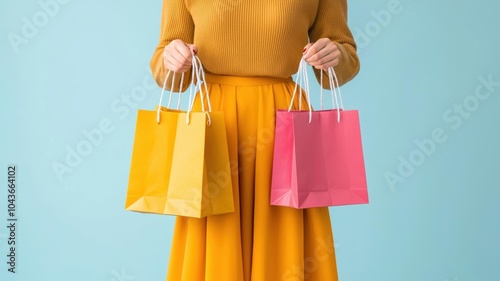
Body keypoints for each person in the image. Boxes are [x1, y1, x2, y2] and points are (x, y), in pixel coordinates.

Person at [150, 0, 360, 280]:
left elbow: (345, 56)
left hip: (284, 121)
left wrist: (334, 55)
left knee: (282, 232)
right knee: (217, 231)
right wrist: (171, 58)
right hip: (213, 123)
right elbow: (165, 70)